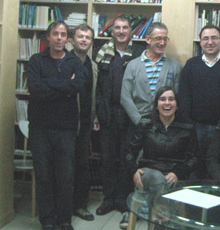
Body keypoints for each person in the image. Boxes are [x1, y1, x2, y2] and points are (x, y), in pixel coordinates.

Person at [27, 21, 86, 230]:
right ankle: (48, 220)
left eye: (63, 34)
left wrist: (49, 83)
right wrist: (64, 86)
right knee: (44, 175)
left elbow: (78, 85)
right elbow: (35, 89)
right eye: (56, 34)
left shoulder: (74, 62)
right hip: (40, 128)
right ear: (48, 37)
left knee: (65, 176)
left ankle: (64, 220)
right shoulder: (36, 61)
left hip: (66, 129)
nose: (59, 38)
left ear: (67, 38)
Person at [95, 15, 145, 227]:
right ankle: (109, 199)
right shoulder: (103, 54)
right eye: (117, 28)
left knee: (127, 160)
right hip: (108, 115)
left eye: (125, 28)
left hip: (130, 116)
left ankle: (124, 200)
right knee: (108, 159)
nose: (122, 31)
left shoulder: (138, 54)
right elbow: (97, 88)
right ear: (112, 31)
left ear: (131, 31)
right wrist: (97, 115)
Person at [179, 25, 220, 177]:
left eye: (214, 38)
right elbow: (184, 96)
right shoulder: (191, 65)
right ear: (200, 42)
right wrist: (189, 124)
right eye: (205, 38)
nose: (210, 42)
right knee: (198, 167)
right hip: (197, 127)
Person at [126, 86, 198, 189]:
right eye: (162, 99)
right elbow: (130, 152)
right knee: (158, 179)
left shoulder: (187, 127)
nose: (167, 103)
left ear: (177, 105)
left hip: (176, 176)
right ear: (156, 105)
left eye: (171, 99)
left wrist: (178, 173)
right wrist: (134, 171)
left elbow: (194, 158)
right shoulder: (145, 124)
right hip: (149, 174)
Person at [121, 22, 181, 127]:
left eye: (165, 39)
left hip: (165, 124)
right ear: (148, 39)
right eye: (158, 38)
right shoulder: (133, 65)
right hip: (138, 123)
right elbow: (125, 96)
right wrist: (138, 120)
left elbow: (177, 96)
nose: (162, 43)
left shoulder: (175, 66)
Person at [70, 24, 99, 221]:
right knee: (65, 166)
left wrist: (95, 117)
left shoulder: (93, 66)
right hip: (66, 123)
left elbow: (94, 94)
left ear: (91, 42)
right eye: (80, 36)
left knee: (82, 166)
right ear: (72, 40)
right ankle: (63, 205)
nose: (83, 40)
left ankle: (80, 205)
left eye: (87, 37)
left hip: (85, 123)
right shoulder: (63, 61)